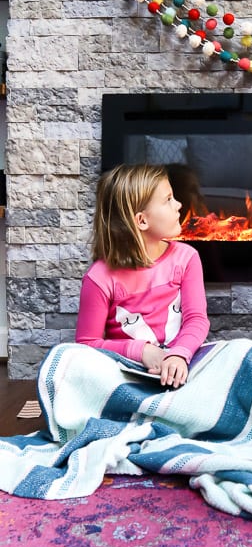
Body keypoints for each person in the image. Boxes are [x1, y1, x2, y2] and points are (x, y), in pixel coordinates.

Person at [75, 163, 210, 388]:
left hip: (181, 361)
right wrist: (143, 351)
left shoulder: (186, 258)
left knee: (241, 350)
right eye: (168, 200)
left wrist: (179, 354)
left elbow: (196, 319)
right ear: (142, 221)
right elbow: (86, 344)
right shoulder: (99, 278)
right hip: (126, 370)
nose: (178, 205)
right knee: (61, 360)